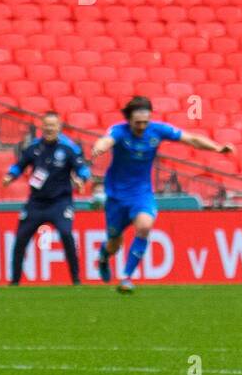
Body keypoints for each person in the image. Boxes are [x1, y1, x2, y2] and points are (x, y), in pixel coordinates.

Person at [91, 96, 233, 294]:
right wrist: (100, 147)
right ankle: (105, 256)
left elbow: (191, 139)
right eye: (137, 122)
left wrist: (217, 147)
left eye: (145, 122)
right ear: (129, 120)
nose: (141, 126)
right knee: (114, 242)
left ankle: (126, 277)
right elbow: (107, 140)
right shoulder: (119, 131)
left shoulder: (157, 130)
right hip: (116, 195)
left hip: (141, 193)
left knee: (145, 226)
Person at [3, 112, 89, 286]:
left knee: (66, 234)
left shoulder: (68, 148)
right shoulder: (33, 147)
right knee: (20, 239)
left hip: (60, 202)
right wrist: (11, 175)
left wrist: (82, 180)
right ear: (42, 127)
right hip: (36, 203)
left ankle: (76, 279)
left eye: (53, 125)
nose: (50, 129)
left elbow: (83, 169)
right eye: (47, 125)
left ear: (59, 127)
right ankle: (14, 282)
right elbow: (19, 165)